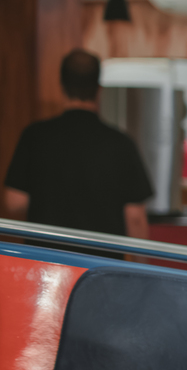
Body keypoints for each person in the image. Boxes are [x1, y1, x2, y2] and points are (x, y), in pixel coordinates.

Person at [3, 49, 153, 244]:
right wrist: (140, 269)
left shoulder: (35, 136)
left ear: (62, 86)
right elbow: (135, 218)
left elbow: (14, 202)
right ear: (99, 89)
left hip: (46, 263)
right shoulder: (121, 143)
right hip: (101, 265)